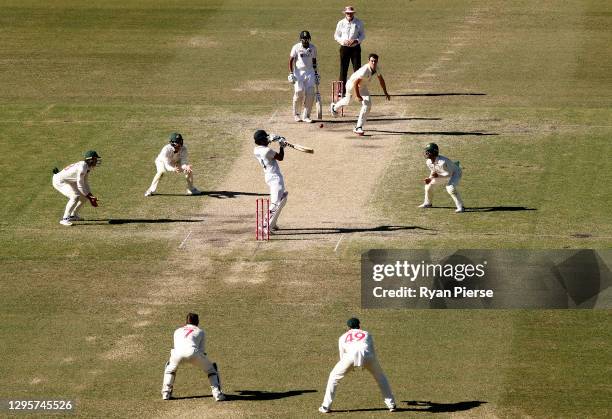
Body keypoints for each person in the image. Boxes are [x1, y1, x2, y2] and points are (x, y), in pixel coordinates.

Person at [319, 318, 396, 413]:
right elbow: (372, 349)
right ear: (359, 325)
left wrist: (349, 366)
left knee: (333, 377)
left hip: (349, 357)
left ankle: (325, 407)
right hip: (368, 356)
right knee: (380, 377)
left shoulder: (343, 337)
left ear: (348, 327)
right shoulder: (367, 333)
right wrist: (372, 364)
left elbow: (342, 355)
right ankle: (391, 405)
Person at [161, 313, 226, 401]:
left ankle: (166, 394)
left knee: (170, 368)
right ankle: (217, 394)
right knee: (211, 369)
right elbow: (202, 351)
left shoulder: (177, 331)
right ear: (197, 322)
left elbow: (177, 346)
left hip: (177, 354)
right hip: (193, 353)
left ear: (186, 321)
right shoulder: (200, 331)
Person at [330, 53, 390, 135]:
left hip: (362, 87)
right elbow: (356, 83)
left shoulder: (376, 68)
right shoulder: (365, 70)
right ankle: (334, 107)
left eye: (375, 61)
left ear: (377, 62)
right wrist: (358, 95)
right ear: (369, 61)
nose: (373, 63)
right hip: (352, 85)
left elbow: (381, 80)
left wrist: (385, 92)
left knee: (368, 104)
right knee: (348, 101)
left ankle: (358, 127)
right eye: (372, 61)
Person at [52, 150, 101, 226]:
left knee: (84, 197)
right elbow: (80, 185)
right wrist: (90, 197)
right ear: (90, 159)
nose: (96, 161)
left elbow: (85, 183)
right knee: (75, 196)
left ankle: (73, 215)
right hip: (59, 181)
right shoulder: (82, 168)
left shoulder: (87, 167)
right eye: (95, 159)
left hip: (69, 180)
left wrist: (90, 196)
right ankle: (65, 219)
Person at [253, 129, 288, 232]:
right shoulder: (267, 151)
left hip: (268, 176)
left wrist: (273, 139)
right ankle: (264, 226)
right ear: (262, 140)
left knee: (283, 198)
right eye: (265, 138)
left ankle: (273, 222)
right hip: (275, 178)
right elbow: (280, 157)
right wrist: (281, 146)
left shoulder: (256, 150)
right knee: (276, 203)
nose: (267, 138)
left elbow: (265, 146)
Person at [145, 132, 201, 196]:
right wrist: (173, 169)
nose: (179, 144)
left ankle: (191, 189)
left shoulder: (184, 149)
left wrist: (185, 166)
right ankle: (150, 190)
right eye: (177, 142)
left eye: (180, 142)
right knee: (161, 172)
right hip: (162, 162)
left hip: (175, 162)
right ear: (172, 143)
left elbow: (183, 162)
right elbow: (166, 165)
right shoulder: (166, 150)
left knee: (189, 170)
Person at [419, 143, 465, 213]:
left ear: (434, 152)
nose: (426, 153)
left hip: (455, 173)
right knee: (428, 185)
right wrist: (430, 179)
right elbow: (434, 171)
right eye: (426, 151)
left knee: (450, 188)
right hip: (443, 174)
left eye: (428, 151)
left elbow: (449, 174)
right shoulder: (428, 162)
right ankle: (427, 203)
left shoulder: (443, 162)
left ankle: (461, 207)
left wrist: (438, 176)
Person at [289, 30, 320, 123]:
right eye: (303, 39)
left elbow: (314, 61)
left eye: (307, 39)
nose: (305, 41)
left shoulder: (313, 48)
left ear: (309, 39)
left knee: (310, 93)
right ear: (300, 39)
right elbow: (291, 60)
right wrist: (291, 73)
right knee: (299, 92)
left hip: (310, 71)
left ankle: (306, 115)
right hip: (299, 72)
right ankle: (296, 114)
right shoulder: (296, 47)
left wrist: (316, 73)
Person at [334, 6, 365, 95]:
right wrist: (343, 41)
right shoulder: (341, 23)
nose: (349, 14)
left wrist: (356, 40)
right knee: (343, 69)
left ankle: (358, 90)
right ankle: (341, 91)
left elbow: (363, 35)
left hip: (355, 48)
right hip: (344, 48)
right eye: (347, 13)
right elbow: (336, 35)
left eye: (351, 13)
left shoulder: (359, 23)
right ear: (345, 13)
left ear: (353, 13)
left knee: (357, 70)